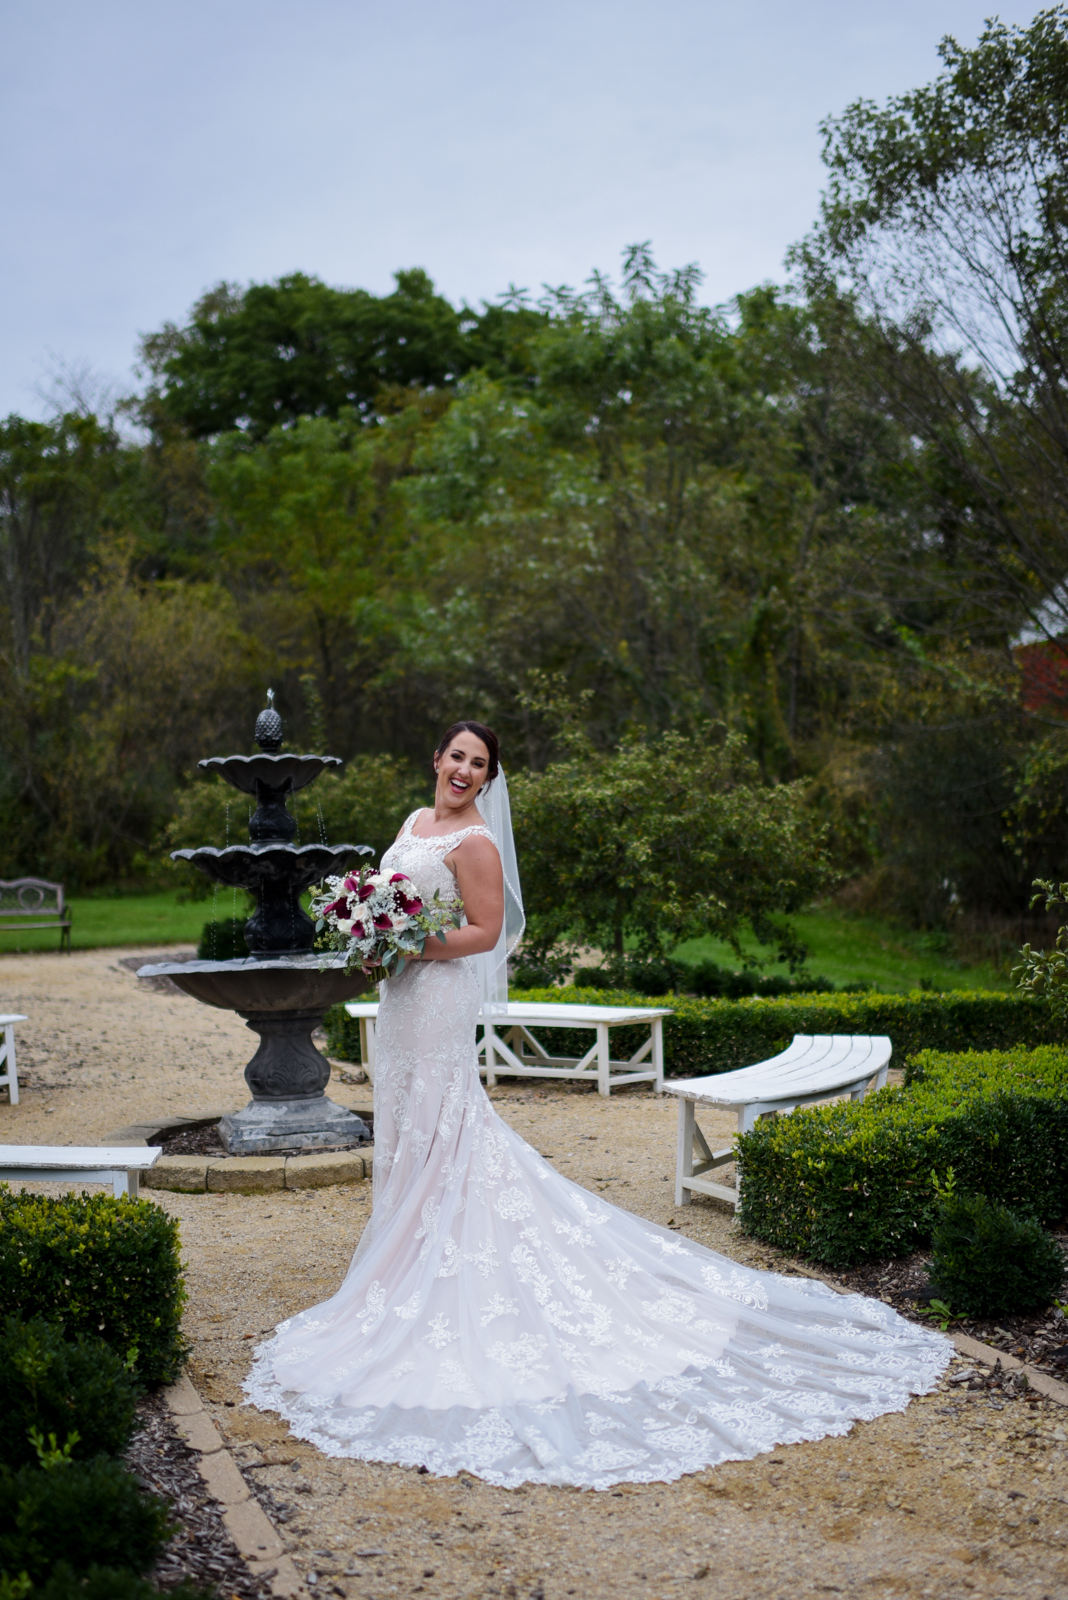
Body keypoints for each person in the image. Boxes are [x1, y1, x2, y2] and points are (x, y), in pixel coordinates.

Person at [246, 721, 950, 1489]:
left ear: (488, 779)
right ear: (436, 759)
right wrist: (375, 933)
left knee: (444, 1120)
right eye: (457, 756)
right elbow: (397, 898)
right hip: (402, 1000)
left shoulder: (477, 843)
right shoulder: (413, 825)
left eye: (479, 764)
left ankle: (425, 1257)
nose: (464, 771)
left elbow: (485, 935)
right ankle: (399, 1254)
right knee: (406, 1119)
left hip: (438, 997)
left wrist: (410, 944)